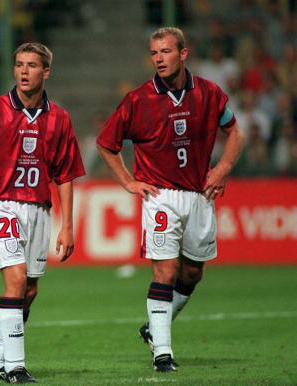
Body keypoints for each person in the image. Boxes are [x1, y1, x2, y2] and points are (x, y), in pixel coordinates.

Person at [96, 27, 244, 373]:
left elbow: (234, 131)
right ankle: (162, 353)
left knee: (192, 273)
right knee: (165, 271)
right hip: (160, 196)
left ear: (183, 53)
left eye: (165, 51)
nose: (159, 58)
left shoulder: (208, 93)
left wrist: (223, 167)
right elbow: (106, 143)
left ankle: (153, 328)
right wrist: (129, 182)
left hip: (199, 194)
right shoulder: (137, 100)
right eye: (154, 53)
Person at [0, 42, 85, 383]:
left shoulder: (58, 118)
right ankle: (15, 367)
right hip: (1, 204)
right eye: (19, 64)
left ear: (46, 72)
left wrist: (67, 225)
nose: (24, 71)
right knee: (14, 280)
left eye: (31, 65)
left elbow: (66, 175)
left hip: (38, 209)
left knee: (29, 290)